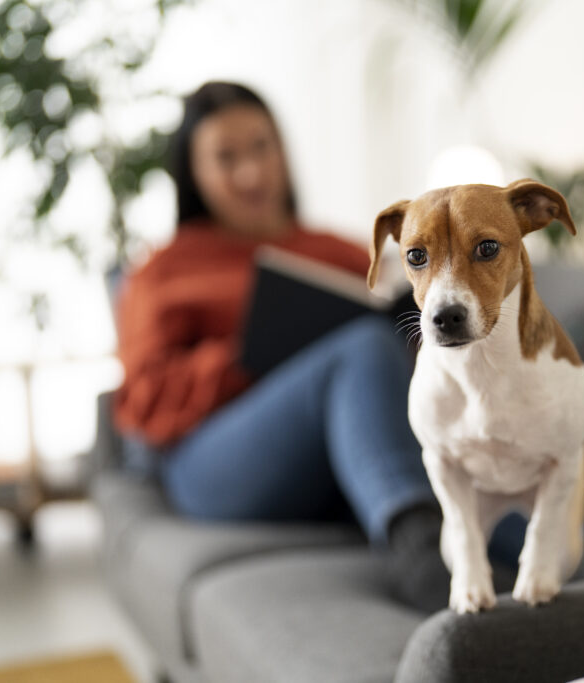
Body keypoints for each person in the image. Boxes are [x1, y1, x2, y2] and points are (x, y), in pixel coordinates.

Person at [112, 81, 458, 611]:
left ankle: (573, 553)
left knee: (384, 353)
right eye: (225, 158)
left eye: (260, 148)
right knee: (360, 347)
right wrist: (248, 356)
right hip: (211, 462)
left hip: (335, 453)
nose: (250, 173)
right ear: (195, 175)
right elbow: (144, 401)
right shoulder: (162, 270)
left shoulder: (341, 253)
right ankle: (418, 553)